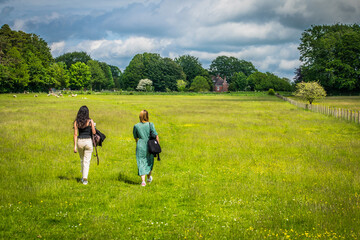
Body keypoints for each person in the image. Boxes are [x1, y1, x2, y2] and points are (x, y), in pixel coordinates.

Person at [133, 110, 159, 186]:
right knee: (149, 161)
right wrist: (157, 145)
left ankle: (143, 181)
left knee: (141, 162)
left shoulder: (136, 126)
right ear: (147, 116)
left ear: (140, 117)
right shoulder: (151, 124)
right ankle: (148, 178)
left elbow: (135, 137)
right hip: (150, 145)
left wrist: (138, 143)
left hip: (140, 145)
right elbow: (156, 135)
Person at [73, 106, 96, 185]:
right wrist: (93, 126)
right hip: (88, 142)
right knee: (86, 161)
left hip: (80, 142)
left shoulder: (76, 122)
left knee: (82, 159)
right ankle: (85, 178)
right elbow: (94, 132)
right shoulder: (90, 121)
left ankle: (83, 177)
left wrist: (75, 146)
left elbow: (75, 134)